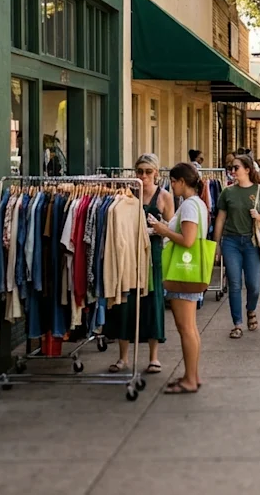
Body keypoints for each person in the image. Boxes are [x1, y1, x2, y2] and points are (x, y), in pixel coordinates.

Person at [104, 154, 174, 375]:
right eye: (140, 171)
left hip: (152, 255)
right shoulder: (127, 194)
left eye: (148, 172)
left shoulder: (164, 197)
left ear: (156, 173)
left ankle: (154, 357)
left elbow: (170, 229)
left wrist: (156, 229)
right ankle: (123, 357)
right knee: (125, 303)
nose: (143, 176)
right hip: (129, 254)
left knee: (152, 304)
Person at [149, 163, 209, 393]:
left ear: (182, 181)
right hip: (189, 270)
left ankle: (190, 379)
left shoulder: (190, 206)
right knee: (190, 328)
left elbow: (188, 240)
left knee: (186, 328)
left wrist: (163, 231)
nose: (171, 186)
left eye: (173, 181)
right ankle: (191, 375)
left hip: (184, 269)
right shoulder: (196, 204)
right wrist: (163, 226)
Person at [213, 155, 260, 339]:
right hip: (231, 241)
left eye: (236, 168)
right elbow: (221, 218)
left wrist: (258, 216)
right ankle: (237, 323)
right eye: (231, 168)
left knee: (253, 285)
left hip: (252, 243)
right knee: (234, 284)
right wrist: (216, 245)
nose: (232, 171)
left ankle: (251, 310)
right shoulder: (227, 192)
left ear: (247, 169)